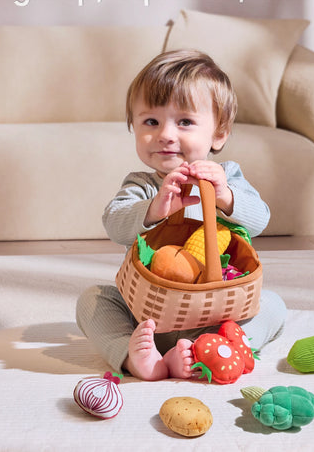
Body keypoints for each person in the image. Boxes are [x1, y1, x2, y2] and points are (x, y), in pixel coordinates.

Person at [76, 49, 287, 381]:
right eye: (151, 122)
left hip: (219, 315)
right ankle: (136, 357)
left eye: (185, 122)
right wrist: (155, 207)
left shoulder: (227, 176)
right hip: (149, 317)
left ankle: (227, 346)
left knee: (273, 304)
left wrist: (225, 197)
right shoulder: (142, 184)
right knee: (93, 301)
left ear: (218, 134)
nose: (165, 134)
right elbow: (114, 224)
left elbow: (260, 220)